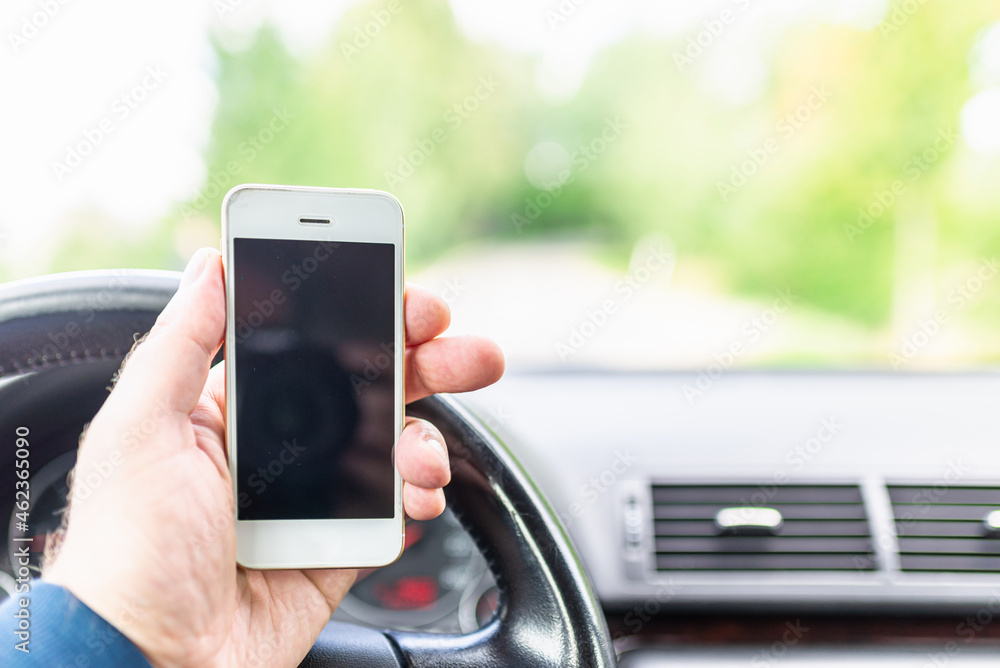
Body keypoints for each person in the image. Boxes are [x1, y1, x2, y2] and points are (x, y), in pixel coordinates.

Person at [1, 248, 505, 667]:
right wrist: (119, 616)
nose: (293, 405)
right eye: (261, 346)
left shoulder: (371, 427)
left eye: (314, 366)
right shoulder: (193, 440)